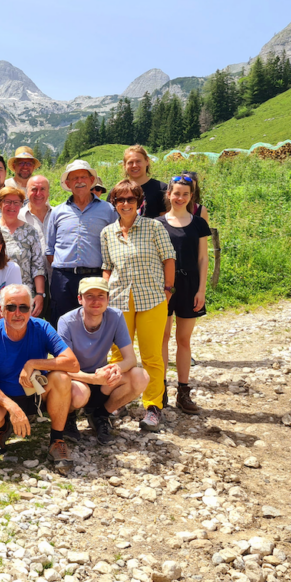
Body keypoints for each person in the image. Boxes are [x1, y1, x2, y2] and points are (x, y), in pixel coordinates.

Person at [0, 284, 79, 473]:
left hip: (35, 394)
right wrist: (12, 408)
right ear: (1, 309)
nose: (18, 313)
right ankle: (1, 428)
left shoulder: (42, 327)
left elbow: (72, 363)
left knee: (62, 378)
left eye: (24, 307)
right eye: (11, 307)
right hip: (3, 398)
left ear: (31, 309)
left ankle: (57, 440)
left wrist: (33, 363)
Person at [101, 180, 176, 432]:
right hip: (119, 300)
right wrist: (105, 293)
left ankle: (153, 407)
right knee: (119, 355)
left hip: (152, 299)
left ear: (139, 202)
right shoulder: (107, 233)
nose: (125, 204)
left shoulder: (154, 227)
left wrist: (167, 290)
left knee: (151, 356)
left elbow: (169, 259)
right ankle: (118, 400)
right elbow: (107, 267)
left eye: (130, 199)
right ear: (114, 204)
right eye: (120, 200)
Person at [58, 278, 149, 445]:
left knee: (141, 376)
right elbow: (64, 368)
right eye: (89, 296)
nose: (95, 301)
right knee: (79, 394)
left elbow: (130, 359)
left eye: (101, 295)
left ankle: (100, 415)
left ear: (108, 299)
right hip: (76, 379)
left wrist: (115, 368)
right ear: (80, 299)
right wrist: (93, 378)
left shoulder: (116, 316)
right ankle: (69, 417)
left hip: (101, 376)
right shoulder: (66, 322)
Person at [158, 176, 211, 414]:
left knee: (183, 340)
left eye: (185, 194)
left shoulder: (198, 223)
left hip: (190, 286)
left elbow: (203, 258)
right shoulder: (156, 223)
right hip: (164, 287)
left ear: (191, 197)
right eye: (176, 193)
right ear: (169, 194)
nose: (180, 198)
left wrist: (201, 290)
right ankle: (159, 390)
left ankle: (183, 391)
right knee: (163, 337)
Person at [45, 160, 117, 328]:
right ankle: (64, 355)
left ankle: (95, 355)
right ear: (68, 183)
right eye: (74, 178)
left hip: (95, 276)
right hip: (63, 278)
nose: (79, 181)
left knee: (94, 324)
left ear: (92, 180)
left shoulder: (108, 210)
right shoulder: (58, 212)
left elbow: (115, 244)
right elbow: (50, 249)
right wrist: (64, 268)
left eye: (83, 176)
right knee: (62, 324)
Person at [0, 186, 45, 317]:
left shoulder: (30, 231)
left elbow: (37, 265)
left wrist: (40, 294)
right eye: (7, 201)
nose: (12, 206)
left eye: (16, 202)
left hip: (24, 295)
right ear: (0, 203)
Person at [19, 175, 53, 317]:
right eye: (34, 189)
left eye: (42, 189)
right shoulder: (18, 216)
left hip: (55, 279)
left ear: (48, 192)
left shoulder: (58, 214)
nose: (38, 194)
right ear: (27, 192)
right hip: (29, 283)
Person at [122, 145, 166, 219]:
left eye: (138, 161)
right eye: (130, 162)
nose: (134, 165)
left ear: (147, 161)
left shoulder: (162, 189)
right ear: (124, 165)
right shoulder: (118, 191)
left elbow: (166, 221)